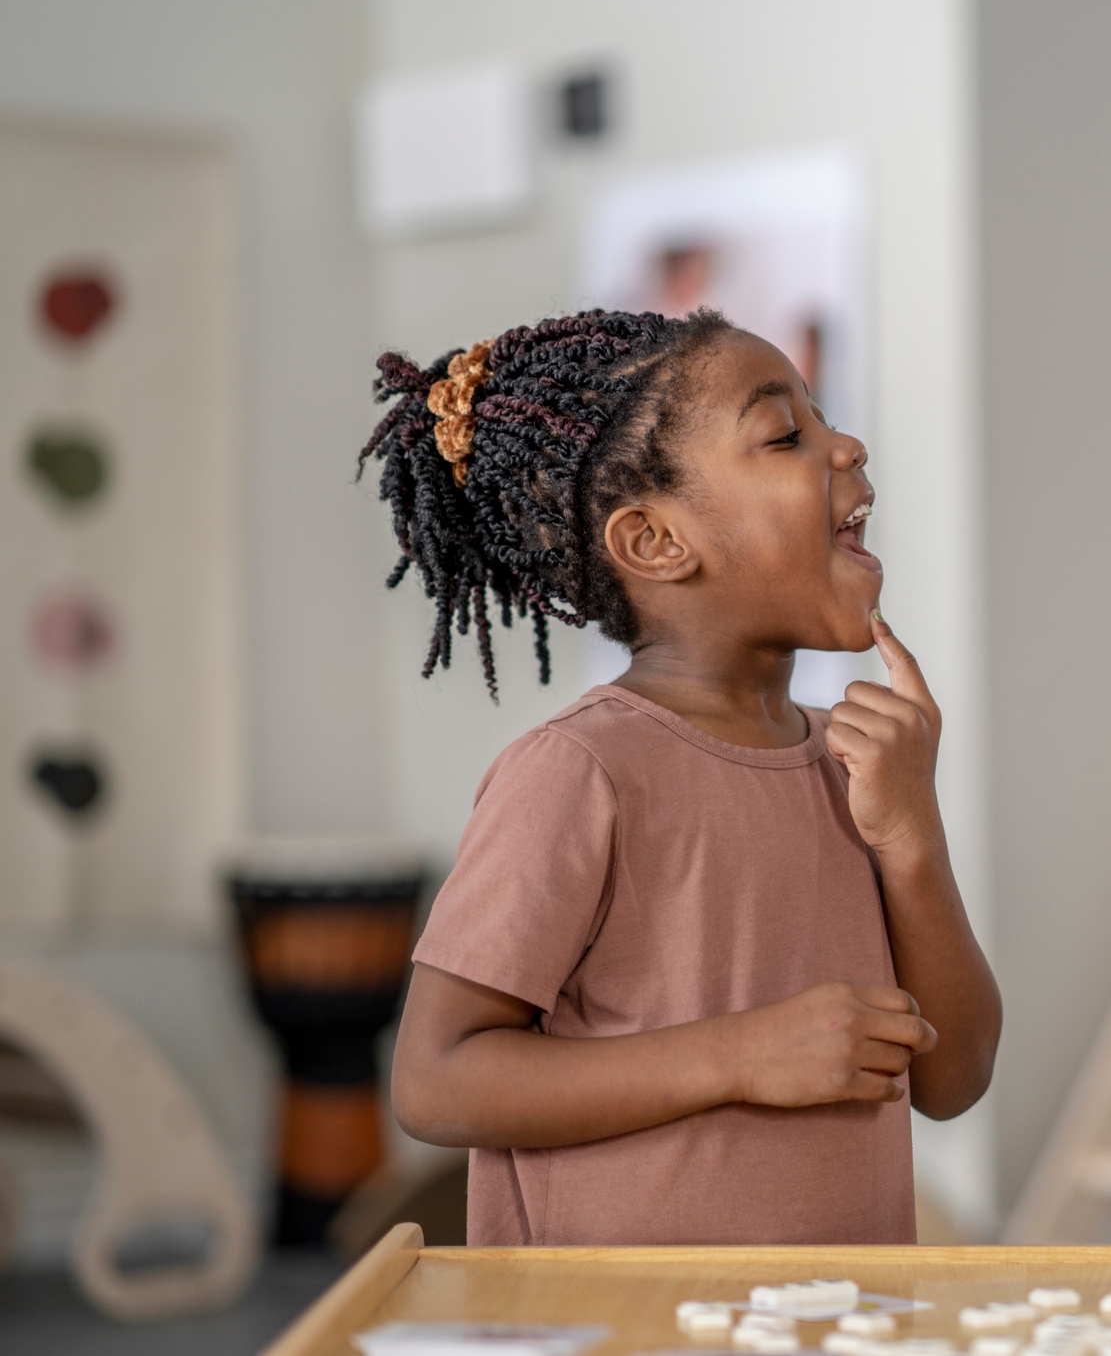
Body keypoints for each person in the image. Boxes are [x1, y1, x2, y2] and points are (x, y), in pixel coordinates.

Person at [359, 310, 1001, 1245]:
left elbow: (954, 1078)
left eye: (822, 421)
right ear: (656, 543)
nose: (846, 445)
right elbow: (436, 1081)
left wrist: (911, 836)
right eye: (785, 435)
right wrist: (740, 1055)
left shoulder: (857, 770)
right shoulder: (578, 772)